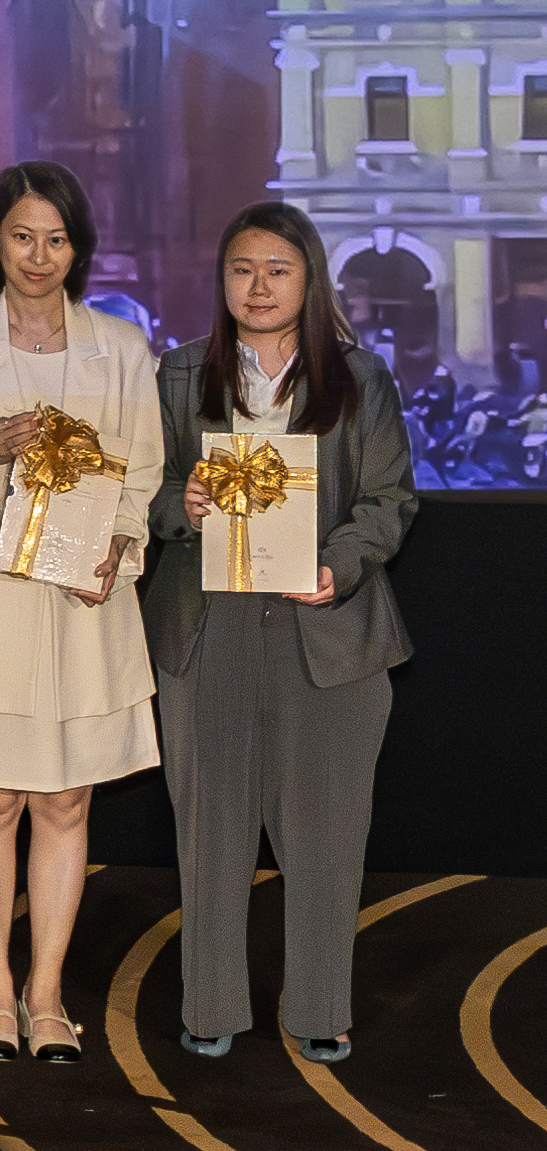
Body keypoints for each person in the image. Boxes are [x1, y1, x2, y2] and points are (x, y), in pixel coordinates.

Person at [150, 201, 416, 1064]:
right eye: (240, 269)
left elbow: (387, 501)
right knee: (211, 827)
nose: (257, 286)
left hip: (324, 621)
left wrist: (339, 564)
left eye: (277, 269)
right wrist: (179, 505)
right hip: (208, 624)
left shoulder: (360, 377)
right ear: (220, 279)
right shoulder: (178, 372)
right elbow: (145, 496)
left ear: (307, 279)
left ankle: (316, 1005)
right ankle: (211, 1002)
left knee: (327, 832)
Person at [0, 161, 164, 1065]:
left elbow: (141, 476)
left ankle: (48, 994)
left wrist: (119, 551)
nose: (39, 254)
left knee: (62, 799)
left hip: (82, 601)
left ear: (76, 249)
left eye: (56, 239)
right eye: (23, 236)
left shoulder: (122, 350)